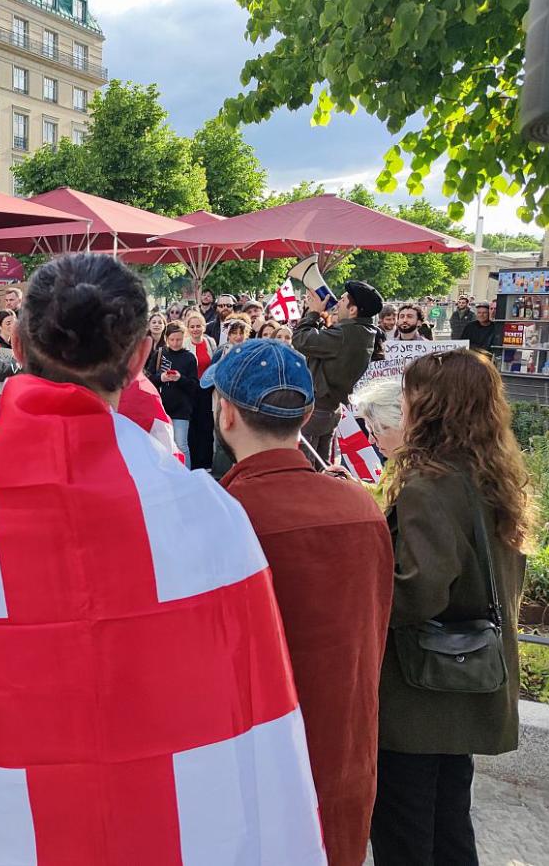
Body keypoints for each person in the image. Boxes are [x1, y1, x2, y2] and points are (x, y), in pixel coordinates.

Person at [0, 253, 325, 863]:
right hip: (158, 831)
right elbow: (253, 721)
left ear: (21, 344)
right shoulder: (210, 516)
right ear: (138, 360)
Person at [213, 339, 394, 866]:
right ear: (307, 413)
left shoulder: (222, 515)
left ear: (225, 413)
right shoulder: (360, 506)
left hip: (251, 779)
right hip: (346, 765)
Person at [370, 350, 531, 866]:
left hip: (418, 694)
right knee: (449, 825)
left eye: (409, 396)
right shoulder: (491, 476)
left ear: (432, 407)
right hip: (466, 682)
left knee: (405, 830)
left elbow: (417, 592)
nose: (404, 405)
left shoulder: (430, 485)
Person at [293, 279, 383, 465]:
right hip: (329, 409)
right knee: (322, 466)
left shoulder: (346, 334)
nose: (337, 303)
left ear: (353, 310)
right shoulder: (362, 332)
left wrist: (314, 313)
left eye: (342, 300)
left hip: (317, 410)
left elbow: (301, 339)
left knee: (305, 466)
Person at [148, 321, 198, 465]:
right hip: (162, 407)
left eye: (179, 339)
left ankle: (186, 476)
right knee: (162, 446)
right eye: (172, 340)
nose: (175, 343)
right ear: (166, 339)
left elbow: (194, 385)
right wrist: (161, 377)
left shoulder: (189, 357)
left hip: (182, 408)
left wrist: (180, 378)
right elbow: (149, 379)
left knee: (181, 444)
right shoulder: (159, 354)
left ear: (184, 338)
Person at [183, 309, 217, 470]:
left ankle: (207, 462)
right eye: (192, 326)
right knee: (192, 426)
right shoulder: (184, 344)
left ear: (203, 327)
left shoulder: (210, 342)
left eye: (198, 326)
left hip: (206, 390)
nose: (195, 329)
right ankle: (194, 462)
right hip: (190, 390)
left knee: (206, 426)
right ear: (188, 328)